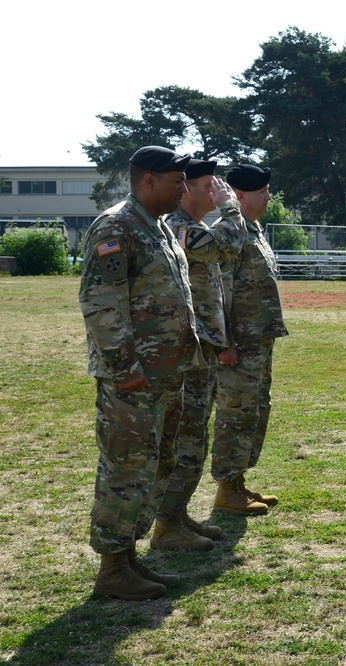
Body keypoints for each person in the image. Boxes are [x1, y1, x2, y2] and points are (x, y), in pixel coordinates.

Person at [79, 146, 203, 600]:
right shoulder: (116, 226)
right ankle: (112, 568)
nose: (184, 190)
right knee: (126, 468)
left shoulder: (159, 228)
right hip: (133, 379)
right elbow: (101, 305)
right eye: (177, 181)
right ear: (148, 180)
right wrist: (125, 368)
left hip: (166, 374)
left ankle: (128, 559)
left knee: (153, 465)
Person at [154, 159, 247, 549]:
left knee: (195, 437)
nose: (218, 191)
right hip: (186, 352)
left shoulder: (195, 226)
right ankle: (167, 526)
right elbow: (225, 244)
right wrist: (232, 208)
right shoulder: (179, 225)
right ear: (187, 189)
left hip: (203, 348)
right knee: (186, 439)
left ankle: (176, 517)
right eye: (211, 185)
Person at [212, 164, 288, 515]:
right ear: (239, 196)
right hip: (238, 345)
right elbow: (217, 290)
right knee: (235, 414)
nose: (269, 196)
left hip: (258, 340)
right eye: (263, 191)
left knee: (255, 411)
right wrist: (224, 342)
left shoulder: (252, 229)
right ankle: (226, 490)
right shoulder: (228, 233)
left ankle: (238, 483)